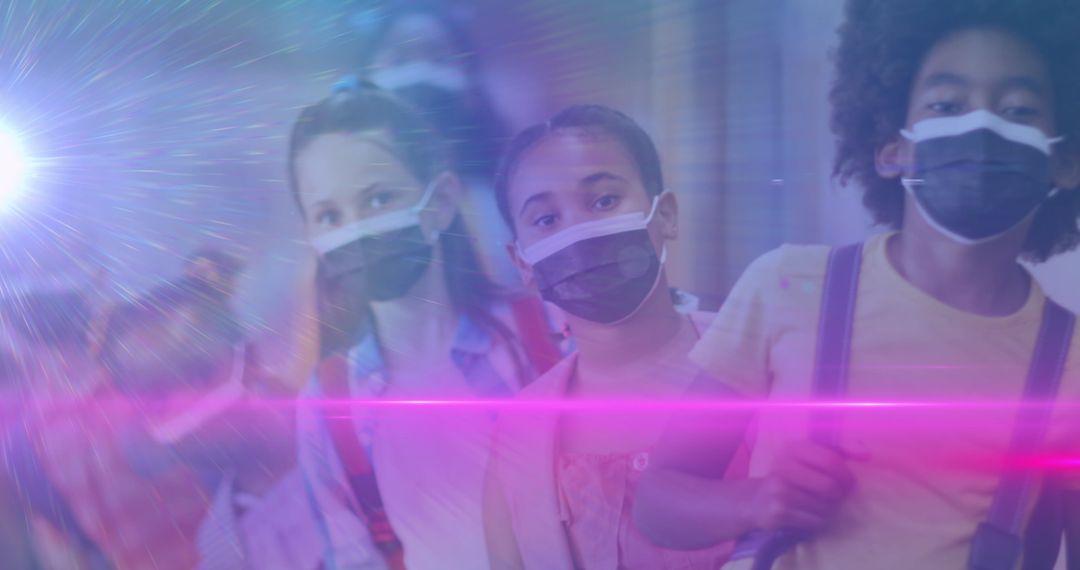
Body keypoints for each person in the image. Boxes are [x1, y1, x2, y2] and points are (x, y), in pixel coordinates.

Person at [634, 1, 1080, 569]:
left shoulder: (1072, 360)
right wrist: (757, 499)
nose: (982, 127)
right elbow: (657, 501)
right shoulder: (787, 285)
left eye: (1018, 109)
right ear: (892, 150)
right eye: (946, 105)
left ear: (1066, 162)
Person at [482, 104, 740, 570]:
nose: (579, 231)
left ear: (665, 216)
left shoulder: (762, 365)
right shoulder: (518, 437)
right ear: (523, 264)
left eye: (603, 201)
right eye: (545, 220)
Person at [291, 81, 535, 570]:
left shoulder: (542, 335)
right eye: (329, 214)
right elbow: (353, 558)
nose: (354, 229)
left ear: (441, 200)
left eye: (379, 199)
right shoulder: (326, 405)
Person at [102, 273, 323, 570]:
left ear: (250, 359)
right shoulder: (223, 553)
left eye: (199, 372)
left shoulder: (365, 438)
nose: (190, 405)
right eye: (160, 396)